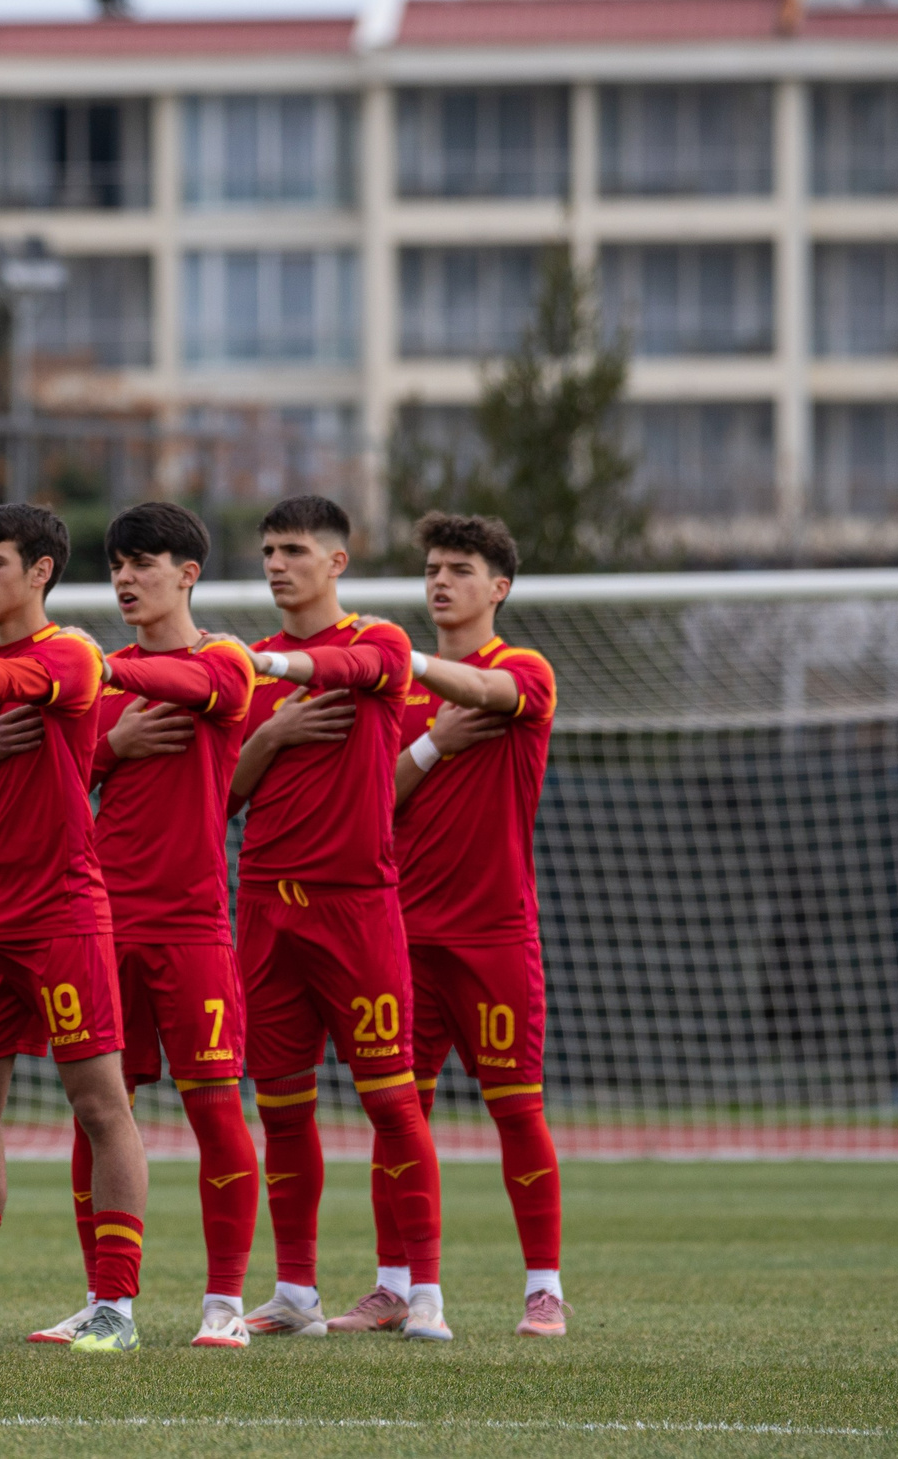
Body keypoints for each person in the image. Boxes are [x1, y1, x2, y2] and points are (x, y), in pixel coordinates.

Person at [0, 504, 151, 1354]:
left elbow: (26, 686)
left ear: (40, 571)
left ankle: (115, 1305)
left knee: (100, 1103)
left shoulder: (75, 654)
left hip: (62, 915)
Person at [32, 502, 263, 1350]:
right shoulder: (109, 677)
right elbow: (70, 772)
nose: (126, 579)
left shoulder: (225, 660)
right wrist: (115, 743)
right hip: (98, 922)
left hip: (194, 926)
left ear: (188, 574)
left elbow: (206, 688)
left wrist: (103, 675)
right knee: (100, 1112)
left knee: (215, 1111)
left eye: (144, 563)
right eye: (118, 565)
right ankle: (106, 1300)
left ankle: (225, 1301)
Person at [227, 494, 449, 1343]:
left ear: (336, 562)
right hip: (267, 910)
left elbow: (362, 674)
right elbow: (228, 794)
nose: (277, 563)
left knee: (392, 1103)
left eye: (293, 549)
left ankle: (419, 1287)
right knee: (281, 1108)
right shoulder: (255, 672)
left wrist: (279, 674)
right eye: (268, 549)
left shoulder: (379, 641)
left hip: (356, 909)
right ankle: (296, 1290)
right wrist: (273, 732)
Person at [385, 512, 564, 1338]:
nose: (440, 581)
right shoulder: (406, 696)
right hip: (402, 935)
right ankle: (406, 1289)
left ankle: (544, 1289)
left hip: (493, 937)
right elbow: (374, 799)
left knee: (516, 1110)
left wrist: (407, 664)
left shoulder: (522, 667)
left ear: (498, 587)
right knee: (398, 1111)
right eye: (431, 568)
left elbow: (490, 695)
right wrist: (430, 740)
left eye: (459, 568)